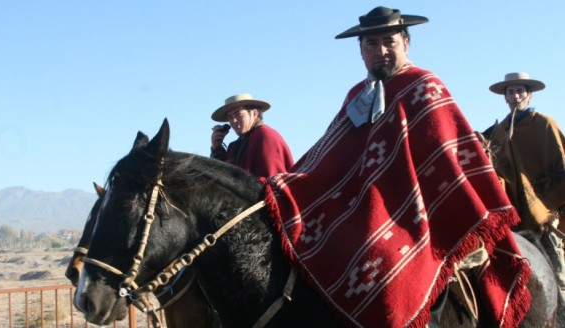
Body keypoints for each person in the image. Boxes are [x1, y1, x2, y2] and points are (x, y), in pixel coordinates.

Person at [262, 6, 532, 327]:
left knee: (391, 262)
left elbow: (446, 159)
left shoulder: (424, 85)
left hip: (422, 212)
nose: (381, 51)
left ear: (406, 42)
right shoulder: (356, 96)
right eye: (371, 45)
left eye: (389, 41)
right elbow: (331, 157)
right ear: (360, 52)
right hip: (365, 209)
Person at [486, 72, 565, 298]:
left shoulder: (544, 124)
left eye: (520, 90)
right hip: (515, 213)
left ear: (529, 95)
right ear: (505, 98)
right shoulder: (499, 133)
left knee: (556, 268)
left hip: (547, 211)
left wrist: (556, 204)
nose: (515, 95)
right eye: (510, 92)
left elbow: (561, 164)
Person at [209, 93, 294, 177]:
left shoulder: (267, 138)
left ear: (254, 114)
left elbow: (271, 183)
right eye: (230, 117)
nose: (233, 121)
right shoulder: (234, 146)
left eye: (238, 115)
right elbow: (222, 180)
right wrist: (216, 148)